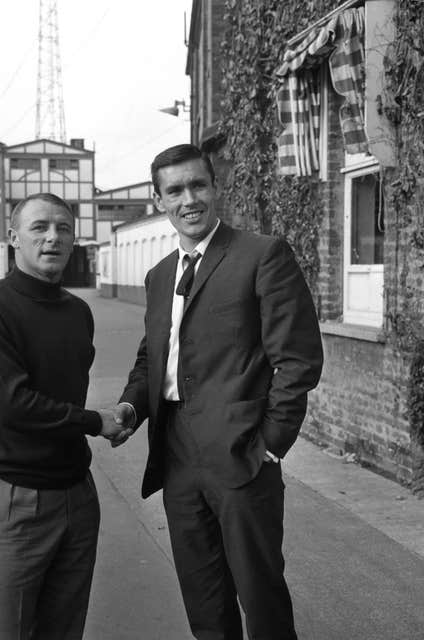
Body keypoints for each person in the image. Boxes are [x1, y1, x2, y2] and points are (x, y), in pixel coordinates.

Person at [111, 144, 324, 640]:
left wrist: (270, 444)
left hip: (242, 450)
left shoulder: (262, 255)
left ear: (215, 186)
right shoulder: (159, 275)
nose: (189, 199)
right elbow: (154, 358)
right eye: (175, 190)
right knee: (203, 595)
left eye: (197, 185)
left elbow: (297, 358)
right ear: (158, 199)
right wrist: (129, 406)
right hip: (177, 452)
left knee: (260, 595)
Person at [0, 192, 123, 640]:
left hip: (75, 495)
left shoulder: (78, 312)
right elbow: (12, 406)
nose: (53, 237)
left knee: (63, 631)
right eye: (39, 228)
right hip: (13, 500)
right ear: (13, 237)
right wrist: (96, 422)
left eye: (63, 229)